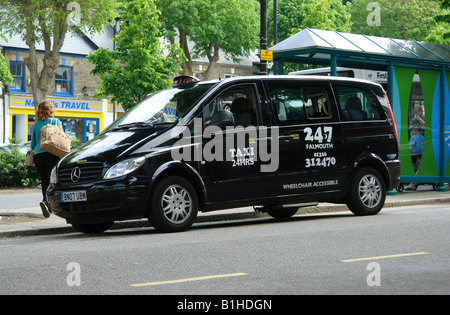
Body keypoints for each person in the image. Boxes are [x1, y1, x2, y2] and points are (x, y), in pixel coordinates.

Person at [31, 101, 63, 217]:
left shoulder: (36, 124)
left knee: (44, 180)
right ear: (51, 110)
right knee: (52, 180)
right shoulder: (55, 121)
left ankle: (46, 202)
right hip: (51, 154)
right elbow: (61, 138)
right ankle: (48, 203)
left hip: (38, 155)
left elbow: (33, 143)